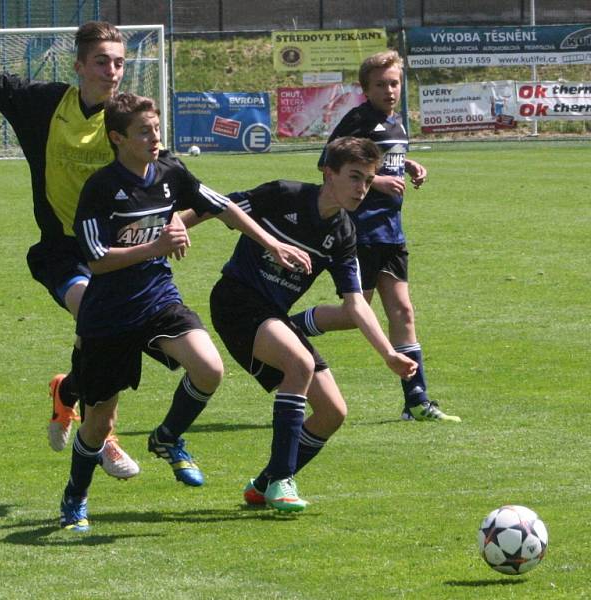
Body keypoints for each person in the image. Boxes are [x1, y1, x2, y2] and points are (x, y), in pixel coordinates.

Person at [59, 92, 312, 531]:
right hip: (108, 314)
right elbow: (95, 259)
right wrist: (156, 245)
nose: (154, 137)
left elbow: (224, 205)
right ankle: (75, 497)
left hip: (158, 298)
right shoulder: (100, 187)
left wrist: (272, 243)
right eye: (143, 131)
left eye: (156, 128)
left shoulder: (171, 171)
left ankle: (168, 437)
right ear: (117, 138)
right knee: (98, 423)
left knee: (210, 369)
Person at [0, 21, 139, 479]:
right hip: (62, 252)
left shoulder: (127, 120)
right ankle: (106, 436)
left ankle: (67, 392)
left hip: (116, 255)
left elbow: (160, 177)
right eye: (101, 61)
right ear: (79, 65)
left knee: (102, 336)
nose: (111, 71)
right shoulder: (46, 104)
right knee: (100, 321)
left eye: (118, 62)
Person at [209, 137, 419, 512]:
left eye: (369, 181)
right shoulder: (283, 194)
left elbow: (355, 304)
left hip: (272, 315)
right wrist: (176, 222)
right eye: (354, 177)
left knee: (333, 412)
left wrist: (388, 353)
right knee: (300, 365)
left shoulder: (342, 233)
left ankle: (264, 484)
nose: (362, 188)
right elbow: (216, 204)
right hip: (235, 303)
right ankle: (282, 481)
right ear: (328, 172)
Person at [290, 49, 461, 423]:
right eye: (381, 84)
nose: (390, 89)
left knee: (402, 311)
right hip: (362, 234)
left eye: (395, 83)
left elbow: (380, 158)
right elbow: (326, 163)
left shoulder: (396, 122)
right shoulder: (358, 119)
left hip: (391, 233)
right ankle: (295, 326)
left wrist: (407, 164)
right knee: (356, 315)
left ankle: (416, 401)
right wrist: (377, 180)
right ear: (364, 88)